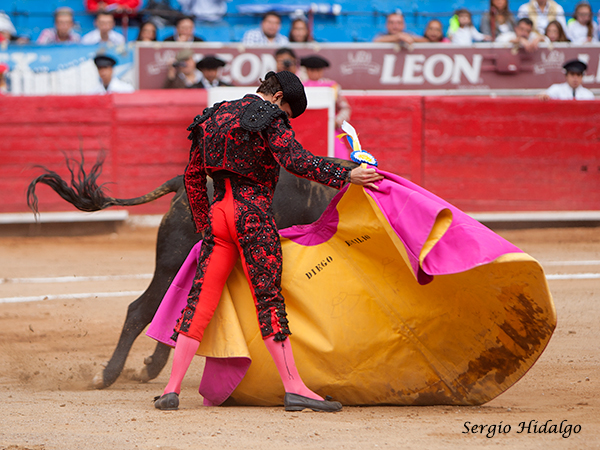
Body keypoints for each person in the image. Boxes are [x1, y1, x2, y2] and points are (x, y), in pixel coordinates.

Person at [152, 69, 382, 412]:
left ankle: (171, 389)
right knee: (269, 300)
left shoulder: (213, 115)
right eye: (288, 112)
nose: (285, 118)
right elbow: (295, 160)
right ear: (278, 98)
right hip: (253, 215)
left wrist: (205, 225)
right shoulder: (269, 116)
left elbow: (193, 176)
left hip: (219, 216)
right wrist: (346, 173)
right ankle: (294, 387)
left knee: (199, 302)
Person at [300, 55, 352, 159]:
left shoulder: (332, 86)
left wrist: (336, 121)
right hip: (305, 127)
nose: (315, 73)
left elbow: (345, 107)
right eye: (311, 70)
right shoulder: (300, 85)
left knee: (339, 157)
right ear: (306, 70)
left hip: (328, 127)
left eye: (318, 70)